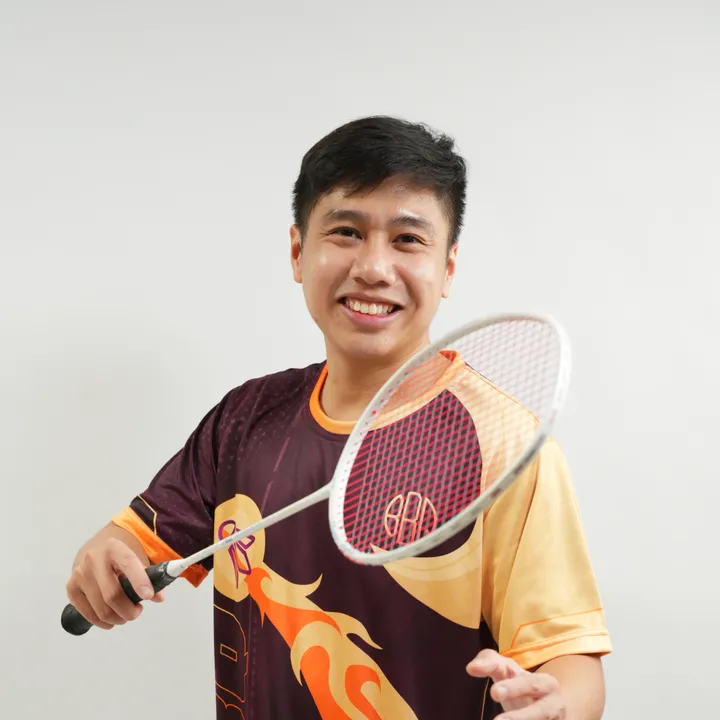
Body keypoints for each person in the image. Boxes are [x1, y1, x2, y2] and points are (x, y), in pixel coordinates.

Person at [65, 116, 612, 719]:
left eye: (408, 239)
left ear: (448, 268)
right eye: (347, 231)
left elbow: (570, 664)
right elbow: (133, 542)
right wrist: (104, 560)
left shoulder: (508, 444)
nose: (374, 267)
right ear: (298, 252)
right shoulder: (244, 419)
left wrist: (560, 706)